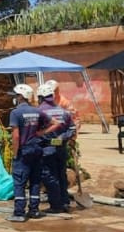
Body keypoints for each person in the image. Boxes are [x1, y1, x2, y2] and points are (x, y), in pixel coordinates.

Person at [8, 83, 59, 222]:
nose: (15, 98)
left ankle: (19, 213)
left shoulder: (15, 113)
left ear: (21, 97)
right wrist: (40, 133)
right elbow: (56, 123)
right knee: (35, 180)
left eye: (17, 95)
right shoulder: (37, 111)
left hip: (24, 151)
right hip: (37, 150)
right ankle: (34, 210)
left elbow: (16, 136)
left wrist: (14, 152)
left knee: (19, 181)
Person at [37, 83, 75, 214]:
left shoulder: (40, 112)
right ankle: (64, 201)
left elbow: (35, 131)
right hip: (61, 149)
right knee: (61, 175)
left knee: (50, 176)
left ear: (40, 97)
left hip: (47, 149)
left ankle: (56, 205)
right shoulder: (64, 112)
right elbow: (72, 129)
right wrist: (62, 138)